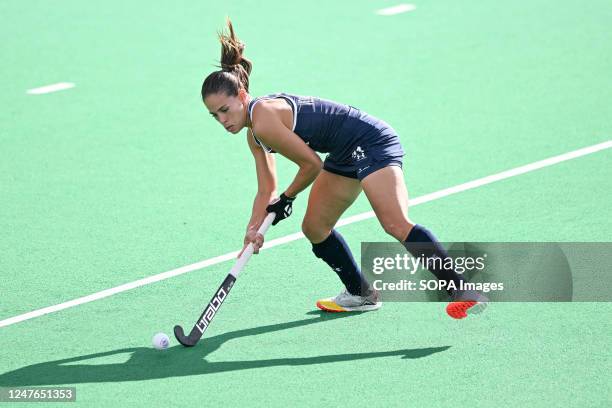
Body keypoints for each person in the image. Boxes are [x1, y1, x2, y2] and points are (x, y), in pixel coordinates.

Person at [201, 19, 487, 319]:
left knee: (394, 223)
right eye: (214, 115)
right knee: (314, 227)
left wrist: (288, 197)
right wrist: (252, 229)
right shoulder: (254, 134)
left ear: (243, 97)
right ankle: (361, 293)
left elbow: (312, 164)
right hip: (344, 152)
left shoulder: (263, 119)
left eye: (225, 110)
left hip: (371, 141)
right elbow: (265, 190)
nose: (222, 120)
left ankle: (461, 287)